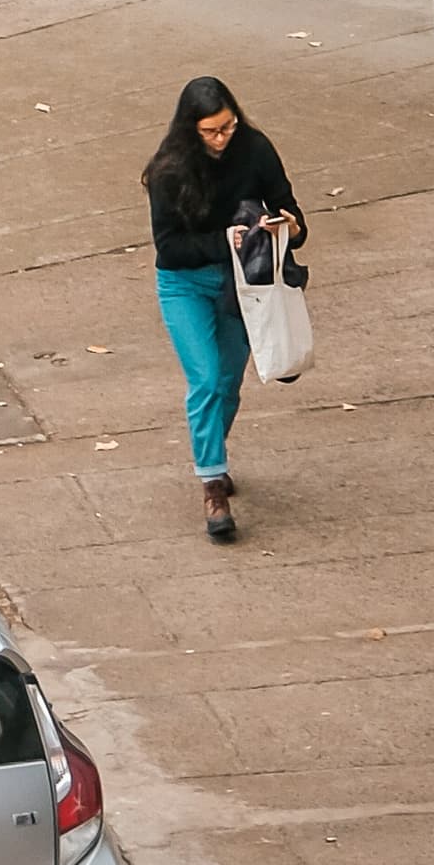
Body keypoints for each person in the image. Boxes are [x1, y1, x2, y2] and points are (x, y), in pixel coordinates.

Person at [144, 74, 308, 543]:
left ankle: (211, 452)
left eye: (228, 127)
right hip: (184, 284)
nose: (221, 138)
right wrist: (223, 240)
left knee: (230, 383)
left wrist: (290, 228)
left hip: (242, 282)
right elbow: (169, 248)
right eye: (211, 132)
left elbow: (290, 209)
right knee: (206, 377)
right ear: (190, 130)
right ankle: (212, 483)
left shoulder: (254, 148)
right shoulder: (169, 169)